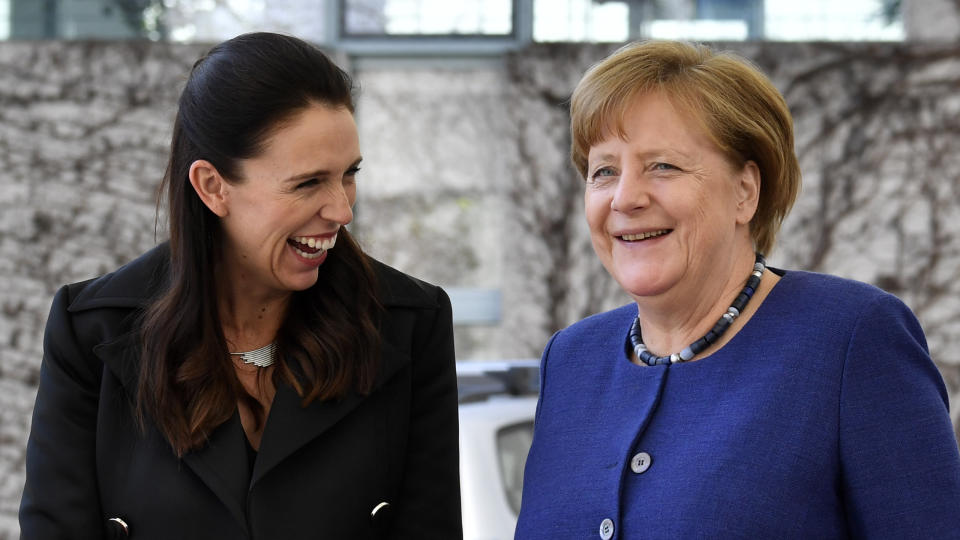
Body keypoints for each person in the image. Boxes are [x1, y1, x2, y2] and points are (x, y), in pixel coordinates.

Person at [20, 32, 462, 540]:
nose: (342, 209)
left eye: (349, 175)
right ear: (213, 186)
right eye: (308, 182)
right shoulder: (92, 332)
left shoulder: (408, 324)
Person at [515, 40, 960, 539]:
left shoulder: (849, 338)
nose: (625, 198)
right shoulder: (572, 359)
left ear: (746, 191)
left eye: (663, 165)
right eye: (604, 171)